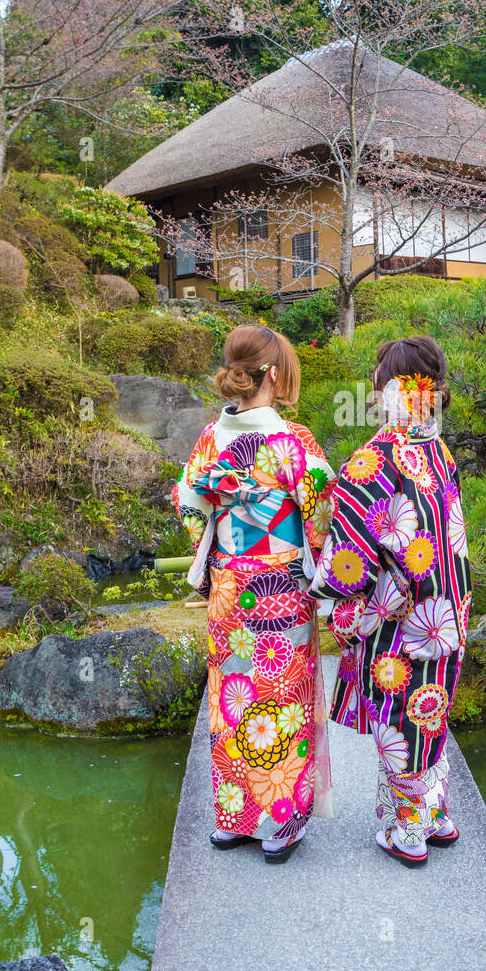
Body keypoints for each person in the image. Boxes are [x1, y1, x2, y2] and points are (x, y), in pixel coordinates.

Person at [172, 324, 336, 863]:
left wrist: (222, 520)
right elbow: (322, 516)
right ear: (272, 375)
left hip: (228, 586)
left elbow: (187, 502)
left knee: (234, 694)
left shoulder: (209, 438)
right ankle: (279, 821)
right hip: (280, 586)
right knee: (281, 697)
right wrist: (325, 573)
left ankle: (234, 817)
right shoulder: (295, 442)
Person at [309, 335, 472, 867]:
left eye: (379, 377)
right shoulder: (436, 448)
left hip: (399, 613)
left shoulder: (373, 458)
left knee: (400, 715)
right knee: (431, 708)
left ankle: (409, 833)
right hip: (446, 608)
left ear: (392, 387)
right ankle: (435, 814)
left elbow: (349, 554)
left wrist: (328, 593)